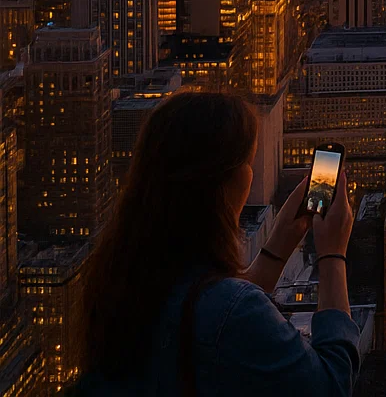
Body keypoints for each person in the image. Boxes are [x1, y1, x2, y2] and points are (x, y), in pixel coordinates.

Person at [77, 90, 359, 396]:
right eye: (249, 162)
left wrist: (279, 243)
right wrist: (333, 255)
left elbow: (210, 315)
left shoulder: (120, 283)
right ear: (224, 183)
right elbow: (331, 385)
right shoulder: (233, 311)